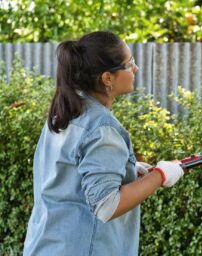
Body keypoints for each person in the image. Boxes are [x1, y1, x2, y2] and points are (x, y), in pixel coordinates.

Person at [23, 31, 184, 256]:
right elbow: (107, 205)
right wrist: (160, 177)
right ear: (107, 78)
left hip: (44, 246)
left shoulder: (65, 113)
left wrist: (127, 170)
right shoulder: (101, 127)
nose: (135, 69)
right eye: (129, 65)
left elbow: (70, 177)